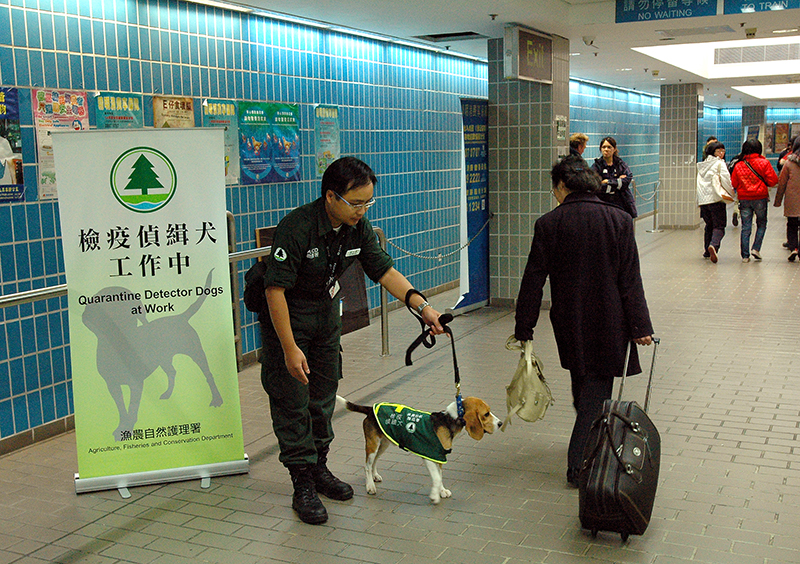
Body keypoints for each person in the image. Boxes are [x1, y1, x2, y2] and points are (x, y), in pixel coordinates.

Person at [260, 156, 445, 524]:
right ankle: (302, 484)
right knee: (292, 400)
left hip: (326, 318)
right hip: (290, 320)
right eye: (356, 202)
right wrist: (289, 347)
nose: (362, 210)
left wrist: (422, 306)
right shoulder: (296, 228)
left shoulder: (355, 228)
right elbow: (274, 289)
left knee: (323, 395)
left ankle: (320, 469)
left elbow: (383, 269)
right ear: (331, 197)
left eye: (367, 203)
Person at [514, 155, 654, 488]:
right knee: (593, 389)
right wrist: (640, 326)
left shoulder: (549, 223)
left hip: (569, 320)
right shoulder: (619, 220)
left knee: (586, 384)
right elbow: (629, 279)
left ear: (562, 186)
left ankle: (586, 441)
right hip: (610, 320)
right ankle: (579, 465)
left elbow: (534, 278)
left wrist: (525, 325)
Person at [731, 139, 778, 262]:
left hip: (744, 198)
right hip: (760, 198)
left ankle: (745, 256)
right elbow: (773, 181)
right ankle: (756, 249)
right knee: (761, 224)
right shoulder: (764, 163)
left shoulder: (739, 164)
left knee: (746, 226)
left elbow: (734, 183)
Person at [696, 141, 734, 263]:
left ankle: (707, 250)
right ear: (713, 152)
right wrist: (730, 194)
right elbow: (726, 181)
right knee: (719, 226)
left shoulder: (702, 165)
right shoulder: (719, 164)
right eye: (719, 151)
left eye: (723, 151)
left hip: (703, 201)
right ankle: (714, 245)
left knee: (709, 225)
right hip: (716, 199)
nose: (722, 154)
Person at [591, 136, 637, 218]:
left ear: (614, 149)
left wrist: (608, 182)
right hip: (604, 203)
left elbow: (626, 181)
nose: (606, 149)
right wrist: (618, 182)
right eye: (603, 147)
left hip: (621, 204)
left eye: (609, 147)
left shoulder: (621, 164)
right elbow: (596, 185)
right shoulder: (596, 166)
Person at [774, 136, 800, 261]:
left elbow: (782, 183)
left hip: (792, 199)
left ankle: (793, 248)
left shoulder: (789, 163)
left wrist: (778, 200)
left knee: (792, 224)